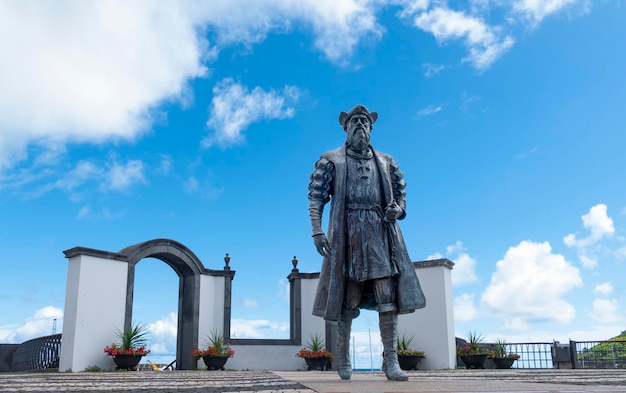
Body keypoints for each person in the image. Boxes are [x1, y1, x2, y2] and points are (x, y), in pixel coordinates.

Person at [308, 104, 426, 381]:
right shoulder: (330, 160)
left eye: (365, 122)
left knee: (387, 297)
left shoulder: (386, 161)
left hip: (381, 233)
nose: (360, 125)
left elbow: (400, 192)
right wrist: (316, 231)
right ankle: (343, 355)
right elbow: (316, 197)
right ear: (345, 128)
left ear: (371, 129)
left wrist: (398, 210)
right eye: (355, 122)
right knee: (348, 299)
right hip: (347, 234)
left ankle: (391, 361)